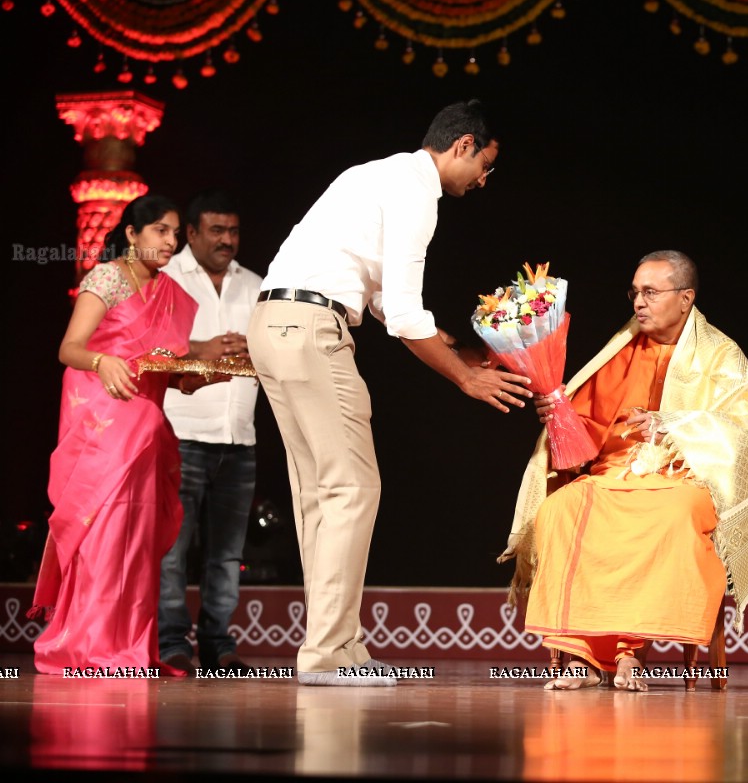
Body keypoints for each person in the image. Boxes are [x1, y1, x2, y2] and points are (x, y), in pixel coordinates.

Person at [247, 99, 533, 687]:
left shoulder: (371, 173)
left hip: (272, 324)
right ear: (463, 145)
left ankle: (339, 647)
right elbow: (403, 315)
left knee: (321, 494)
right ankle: (328, 654)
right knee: (352, 487)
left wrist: (452, 345)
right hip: (310, 331)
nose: (484, 180)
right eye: (486, 165)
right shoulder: (415, 193)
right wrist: (466, 377)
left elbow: (376, 296)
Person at [499, 250, 748, 691]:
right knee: (562, 508)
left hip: (685, 477)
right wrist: (556, 410)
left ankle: (630, 652)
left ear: (685, 298)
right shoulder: (623, 349)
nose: (638, 302)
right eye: (634, 292)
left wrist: (674, 425)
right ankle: (581, 656)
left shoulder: (720, 354)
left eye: (651, 292)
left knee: (667, 516)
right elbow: (588, 423)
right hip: (618, 473)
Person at [28, 194, 223, 675]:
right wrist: (103, 359)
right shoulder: (107, 277)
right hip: (101, 429)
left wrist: (200, 374)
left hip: (147, 433)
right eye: (160, 230)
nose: (171, 241)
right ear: (132, 235)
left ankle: (128, 651)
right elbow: (69, 349)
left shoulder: (170, 293)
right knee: (102, 537)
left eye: (176, 232)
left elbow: (166, 371)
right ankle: (86, 647)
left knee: (137, 545)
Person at [157, 189, 262, 676]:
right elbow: (148, 349)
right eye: (215, 231)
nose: (226, 240)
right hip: (183, 428)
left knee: (227, 554)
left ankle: (219, 644)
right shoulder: (165, 281)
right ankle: (170, 642)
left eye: (233, 231)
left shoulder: (256, 284)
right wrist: (205, 349)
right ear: (192, 234)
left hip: (239, 435)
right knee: (174, 548)